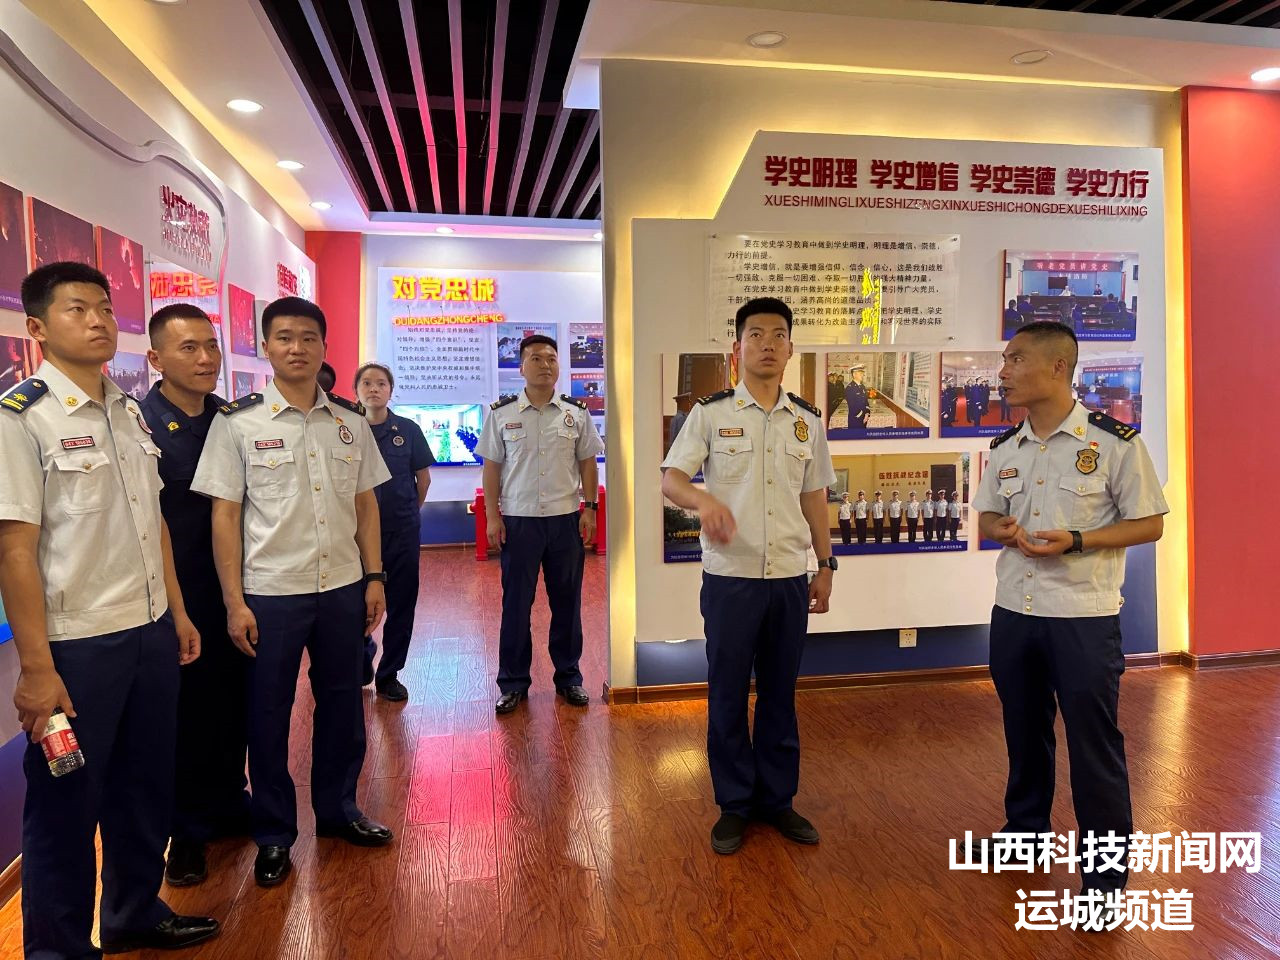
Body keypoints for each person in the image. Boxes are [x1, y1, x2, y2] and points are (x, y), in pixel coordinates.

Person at [0, 263, 218, 955]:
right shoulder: (21, 419)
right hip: (78, 646)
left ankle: (133, 913)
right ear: (37, 327)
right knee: (66, 805)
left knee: (145, 788)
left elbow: (154, 523)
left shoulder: (126, 411)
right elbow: (14, 551)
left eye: (104, 306)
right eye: (77, 309)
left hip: (150, 631)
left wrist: (177, 613)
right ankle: (57, 948)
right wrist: (37, 669)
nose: (98, 320)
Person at [192, 296, 394, 889]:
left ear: (325, 347)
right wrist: (234, 601)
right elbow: (225, 516)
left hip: (342, 587)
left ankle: (338, 810)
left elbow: (365, 504)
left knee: (343, 706)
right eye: (284, 337)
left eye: (308, 337)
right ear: (266, 347)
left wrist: (375, 576)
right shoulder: (238, 423)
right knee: (268, 715)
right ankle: (275, 833)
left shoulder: (349, 421)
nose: (297, 348)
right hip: (271, 593)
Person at [973, 320, 1167, 909]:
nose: (1003, 372)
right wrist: (1002, 529)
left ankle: (1104, 884)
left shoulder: (1114, 443)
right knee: (1023, 733)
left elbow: (1149, 524)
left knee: (1093, 745)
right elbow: (987, 515)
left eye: (1015, 359)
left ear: (1058, 367)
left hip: (1083, 616)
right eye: (1005, 360)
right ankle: (1024, 836)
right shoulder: (1006, 449)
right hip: (1015, 612)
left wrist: (1079, 540)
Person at [660, 296, 836, 855]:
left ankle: (777, 800)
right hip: (731, 580)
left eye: (778, 334)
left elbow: (815, 496)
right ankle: (735, 804)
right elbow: (672, 479)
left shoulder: (807, 421)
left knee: (781, 694)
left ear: (790, 348)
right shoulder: (711, 414)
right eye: (755, 334)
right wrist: (704, 501)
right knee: (729, 693)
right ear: (736, 348)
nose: (767, 343)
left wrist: (826, 563)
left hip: (788, 578)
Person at [140, 304, 251, 888]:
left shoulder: (230, 420)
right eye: (190, 348)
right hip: (171, 594)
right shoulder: (139, 425)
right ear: (156, 358)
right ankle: (183, 832)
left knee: (233, 700)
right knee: (180, 714)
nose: (207, 358)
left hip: (234, 588)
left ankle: (230, 802)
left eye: (212, 346)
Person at [475, 334, 603, 714]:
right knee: (516, 605)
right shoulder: (501, 414)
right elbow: (492, 469)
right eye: (535, 358)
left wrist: (590, 508)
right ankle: (513, 682)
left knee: (568, 603)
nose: (545, 365)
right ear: (521, 367)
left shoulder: (575, 413)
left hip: (565, 521)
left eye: (551, 358)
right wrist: (493, 516)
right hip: (520, 522)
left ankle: (569, 677)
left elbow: (588, 464)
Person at [354, 362, 434, 702]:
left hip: (401, 531)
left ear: (390, 390)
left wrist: (408, 513)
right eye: (367, 383)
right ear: (356, 390)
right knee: (355, 604)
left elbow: (423, 480)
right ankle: (360, 661)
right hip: (355, 535)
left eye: (381, 383)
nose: (374, 389)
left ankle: (389, 674)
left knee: (402, 604)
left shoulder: (408, 430)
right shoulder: (345, 429)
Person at [842, 363, 870, 432]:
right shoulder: (849, 388)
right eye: (860, 373)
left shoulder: (862, 386)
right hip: (856, 419)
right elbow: (852, 406)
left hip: (864, 417)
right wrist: (862, 415)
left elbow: (866, 401)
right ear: (854, 375)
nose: (863, 375)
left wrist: (867, 414)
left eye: (862, 373)